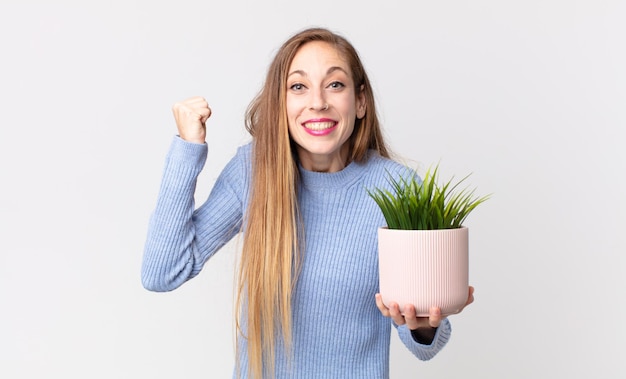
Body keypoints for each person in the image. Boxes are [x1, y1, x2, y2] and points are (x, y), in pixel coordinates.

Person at [142, 27, 474, 378]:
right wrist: (187, 149)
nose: (318, 101)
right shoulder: (253, 171)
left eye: (335, 84)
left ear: (360, 102)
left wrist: (423, 325)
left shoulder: (397, 187)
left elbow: (425, 343)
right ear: (280, 104)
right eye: (298, 86)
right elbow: (162, 272)